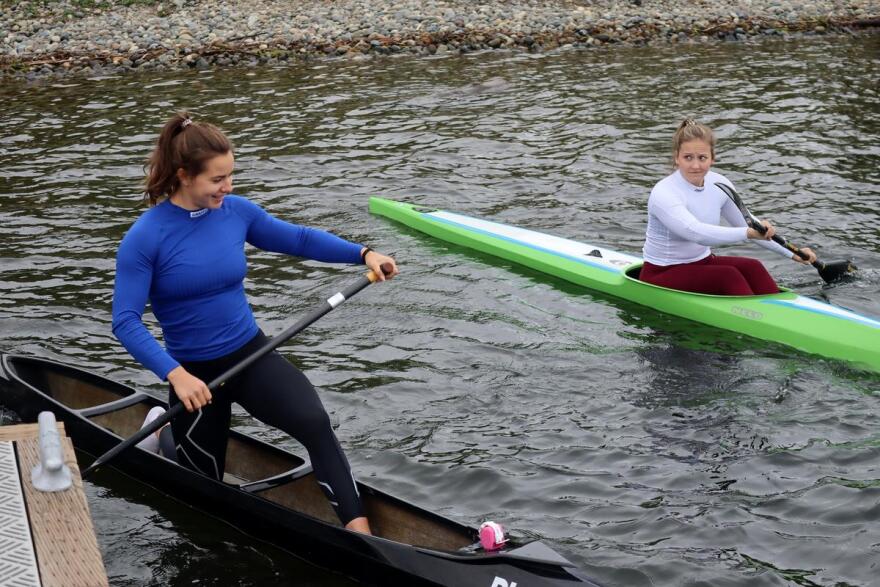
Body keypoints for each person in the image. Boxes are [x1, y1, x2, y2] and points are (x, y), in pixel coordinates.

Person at [112, 111, 398, 535]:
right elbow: (125, 321)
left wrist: (363, 254)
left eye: (230, 176)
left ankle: (361, 534)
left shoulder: (236, 212)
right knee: (203, 484)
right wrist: (177, 376)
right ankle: (162, 433)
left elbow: (298, 239)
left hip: (250, 354)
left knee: (315, 423)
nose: (227, 187)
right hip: (195, 377)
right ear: (183, 175)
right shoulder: (145, 237)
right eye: (217, 179)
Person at [640, 119, 816, 295]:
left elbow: (748, 224)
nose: (695, 165)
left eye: (702, 158)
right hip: (660, 272)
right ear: (677, 158)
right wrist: (747, 233)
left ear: (712, 158)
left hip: (702, 262)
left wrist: (792, 253)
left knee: (753, 267)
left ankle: (781, 312)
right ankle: (755, 318)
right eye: (688, 157)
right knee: (727, 276)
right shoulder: (664, 192)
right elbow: (695, 232)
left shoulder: (719, 184)